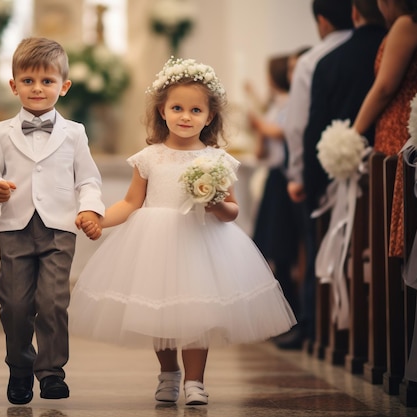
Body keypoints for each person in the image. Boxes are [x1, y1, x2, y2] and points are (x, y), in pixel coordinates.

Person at [70, 57, 296, 406]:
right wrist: (100, 219)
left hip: (201, 243)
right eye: (177, 108)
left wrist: (217, 205)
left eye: (195, 110)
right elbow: (131, 203)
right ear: (162, 111)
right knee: (159, 312)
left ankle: (195, 381)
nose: (185, 116)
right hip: (155, 244)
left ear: (209, 117)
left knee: (197, 312)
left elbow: (232, 210)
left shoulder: (217, 160)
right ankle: (168, 373)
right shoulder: (150, 158)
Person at [0, 37, 105, 405]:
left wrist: (90, 208)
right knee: (14, 304)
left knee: (52, 302)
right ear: (14, 85)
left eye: (47, 81)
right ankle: (19, 368)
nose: (37, 89)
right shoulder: (2, 132)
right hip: (15, 227)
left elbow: (88, 179)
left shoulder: (74, 132)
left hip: (59, 228)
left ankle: (51, 373)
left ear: (63, 86)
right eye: (28, 81)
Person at [284, 0, 354, 348]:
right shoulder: (380, 47)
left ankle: (315, 327)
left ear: (322, 21)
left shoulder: (313, 60)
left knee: (317, 247)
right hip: (377, 164)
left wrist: (297, 174)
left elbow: (297, 126)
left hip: (322, 173)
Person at [352, 0, 417, 258]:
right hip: (406, 125)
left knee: (400, 212)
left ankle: (394, 290)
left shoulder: (407, 23)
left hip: (399, 128)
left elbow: (384, 87)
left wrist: (354, 132)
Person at [304, 0, 387, 213]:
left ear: (355, 12)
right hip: (398, 167)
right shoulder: (406, 46)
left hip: (342, 176)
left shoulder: (328, 63)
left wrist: (312, 187)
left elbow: (315, 127)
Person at [249, 53, 302, 348]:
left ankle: (290, 317)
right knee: (269, 247)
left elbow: (282, 133)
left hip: (284, 180)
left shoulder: (290, 103)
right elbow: (262, 150)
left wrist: (258, 124)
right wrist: (260, 130)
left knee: (281, 248)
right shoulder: (274, 106)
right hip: (273, 179)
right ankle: (278, 318)